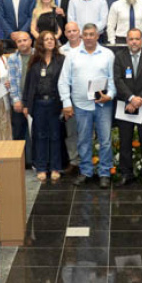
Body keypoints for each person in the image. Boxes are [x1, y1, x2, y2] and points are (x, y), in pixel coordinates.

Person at [59, 23, 116, 189]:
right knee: (83, 140)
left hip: (103, 105)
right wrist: (67, 103)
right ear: (82, 36)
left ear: (98, 36)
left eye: (93, 34)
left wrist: (110, 95)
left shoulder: (108, 54)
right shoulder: (72, 55)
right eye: (87, 34)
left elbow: (113, 80)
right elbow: (63, 80)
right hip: (81, 105)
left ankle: (104, 173)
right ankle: (86, 171)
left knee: (105, 140)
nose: (89, 37)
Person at [113, 28, 142, 186]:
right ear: (127, 40)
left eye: (137, 39)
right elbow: (118, 80)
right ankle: (126, 173)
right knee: (125, 141)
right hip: (125, 105)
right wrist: (131, 99)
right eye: (131, 39)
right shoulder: (119, 57)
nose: (134, 42)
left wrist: (139, 99)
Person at [23, 31, 65, 183]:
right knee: (39, 136)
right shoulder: (34, 61)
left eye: (52, 39)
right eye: (46, 39)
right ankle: (41, 167)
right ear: (41, 43)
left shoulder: (62, 60)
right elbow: (28, 84)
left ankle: (55, 167)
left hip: (55, 102)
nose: (49, 42)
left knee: (55, 136)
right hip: (38, 103)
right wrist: (26, 104)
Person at [59, 22, 83, 172]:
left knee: (88, 131)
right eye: (69, 31)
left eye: (75, 30)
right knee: (71, 131)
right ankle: (74, 161)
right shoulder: (61, 51)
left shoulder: (87, 48)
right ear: (66, 34)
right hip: (69, 97)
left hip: (86, 96)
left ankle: (90, 159)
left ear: (79, 32)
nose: (72, 33)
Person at [7, 31, 34, 164]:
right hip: (19, 101)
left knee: (36, 133)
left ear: (30, 41)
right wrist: (16, 100)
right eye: (19, 41)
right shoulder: (12, 58)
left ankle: (35, 161)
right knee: (18, 133)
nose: (22, 43)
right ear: (16, 44)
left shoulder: (38, 55)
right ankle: (19, 163)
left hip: (35, 102)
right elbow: (11, 80)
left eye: (25, 40)